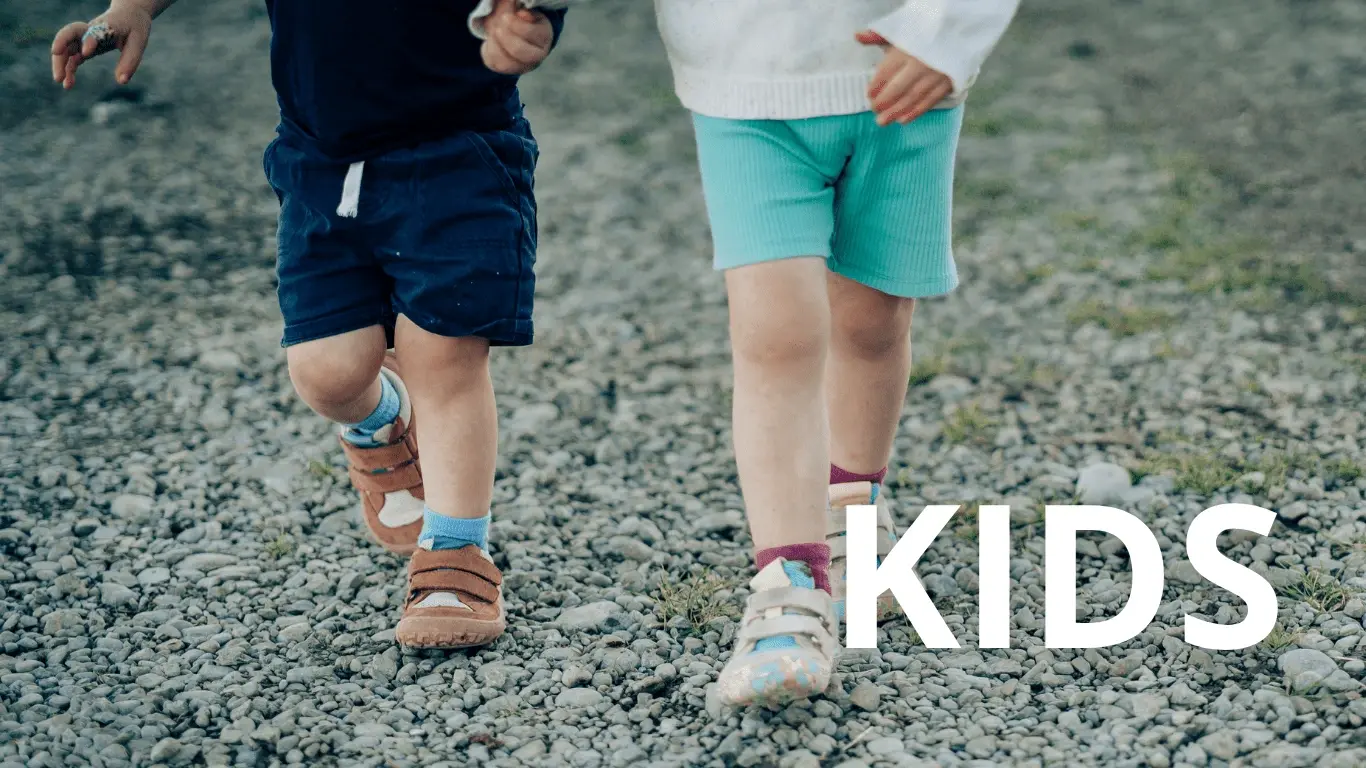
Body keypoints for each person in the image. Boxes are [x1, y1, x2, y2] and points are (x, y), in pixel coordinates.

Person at [51, 0, 576, 649]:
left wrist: (534, 13)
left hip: (459, 150)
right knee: (326, 373)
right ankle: (381, 417)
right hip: (322, 158)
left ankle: (456, 556)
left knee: (443, 353)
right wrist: (133, 7)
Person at [650, 0, 1020, 705]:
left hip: (905, 77)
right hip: (741, 85)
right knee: (775, 336)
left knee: (872, 322)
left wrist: (947, 32)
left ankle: (853, 498)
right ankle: (788, 593)